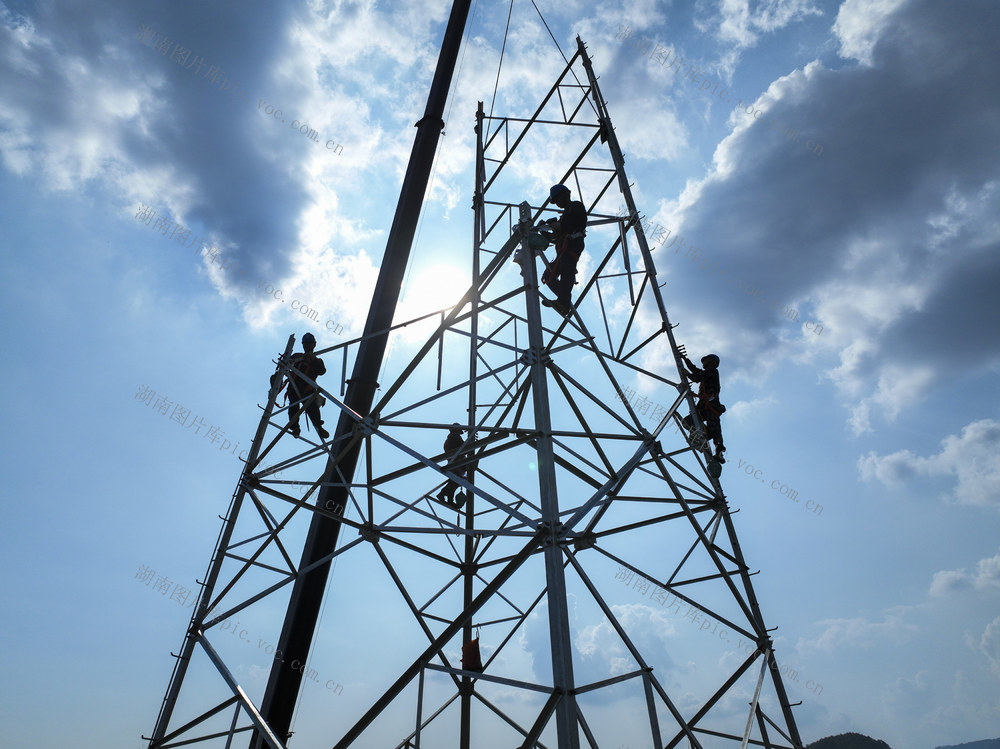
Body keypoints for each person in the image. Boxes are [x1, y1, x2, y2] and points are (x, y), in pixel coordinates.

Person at [539, 184, 587, 315]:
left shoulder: (576, 206)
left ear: (566, 194)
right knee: (548, 274)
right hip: (563, 248)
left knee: (567, 268)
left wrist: (560, 225)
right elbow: (556, 237)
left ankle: (563, 301)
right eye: (555, 201)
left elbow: (579, 222)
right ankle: (563, 298)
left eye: (557, 199)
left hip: (573, 243)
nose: (557, 203)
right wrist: (545, 231)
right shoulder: (564, 215)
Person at [679, 349, 726, 463]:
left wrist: (688, 374)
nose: (703, 363)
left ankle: (718, 453)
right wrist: (685, 359)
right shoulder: (707, 372)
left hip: (711, 406)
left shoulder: (712, 371)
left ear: (711, 362)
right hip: (703, 406)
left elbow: (697, 377)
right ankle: (700, 434)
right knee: (687, 421)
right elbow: (696, 371)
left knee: (715, 431)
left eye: (705, 361)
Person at [286, 332, 329, 440]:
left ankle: (319, 426)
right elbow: (287, 363)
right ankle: (295, 427)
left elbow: (322, 371)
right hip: (294, 385)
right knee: (293, 406)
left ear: (314, 344)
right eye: (305, 343)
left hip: (307, 386)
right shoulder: (297, 356)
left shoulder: (317, 360)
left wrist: (313, 360)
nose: (307, 346)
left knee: (312, 406)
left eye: (309, 343)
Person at [437, 423, 472, 507]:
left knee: (454, 481)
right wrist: (470, 441)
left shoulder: (449, 439)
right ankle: (442, 494)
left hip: (454, 464)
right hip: (457, 463)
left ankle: (449, 500)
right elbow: (464, 447)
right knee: (456, 481)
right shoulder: (455, 436)